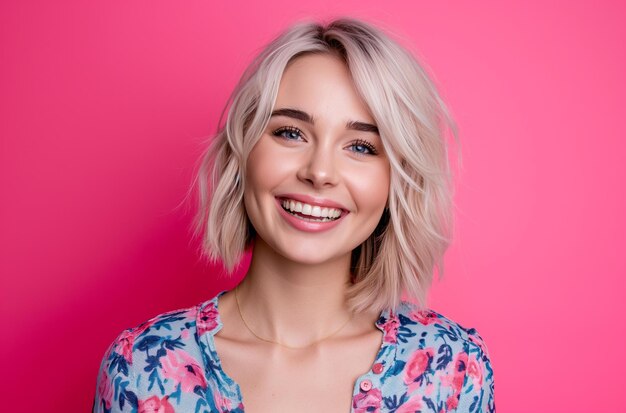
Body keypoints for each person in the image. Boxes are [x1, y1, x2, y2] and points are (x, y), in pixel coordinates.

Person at [93, 17, 495, 413]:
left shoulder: (451, 373)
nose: (319, 172)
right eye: (291, 133)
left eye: (361, 147)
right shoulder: (141, 370)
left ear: (396, 181)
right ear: (244, 151)